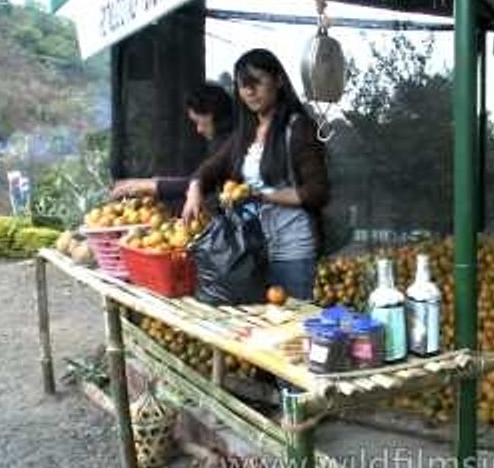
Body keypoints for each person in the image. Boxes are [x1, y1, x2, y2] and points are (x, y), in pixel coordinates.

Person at [182, 49, 330, 301]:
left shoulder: (297, 128)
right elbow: (208, 170)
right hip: (254, 253)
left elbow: (317, 192)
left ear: (278, 80)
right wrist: (194, 191)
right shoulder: (245, 134)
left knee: (292, 331)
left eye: (256, 82)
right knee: (260, 331)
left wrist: (261, 195)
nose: (250, 92)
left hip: (292, 252)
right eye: (243, 86)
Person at [111, 83, 234, 202]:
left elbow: (202, 183)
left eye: (198, 122)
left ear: (211, 114)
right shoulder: (222, 140)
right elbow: (198, 179)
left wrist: (148, 185)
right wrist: (154, 182)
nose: (199, 130)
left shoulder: (231, 142)